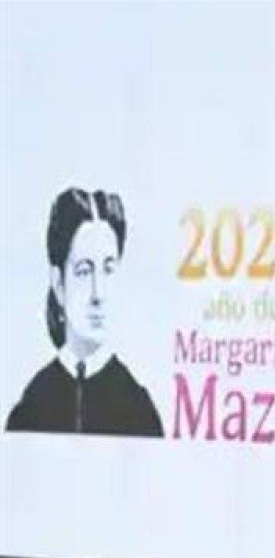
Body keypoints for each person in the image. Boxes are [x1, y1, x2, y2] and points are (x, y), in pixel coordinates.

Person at [5, 187, 163, 437]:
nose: (98, 294)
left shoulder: (139, 410)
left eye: (108, 270)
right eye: (84, 271)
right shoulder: (31, 407)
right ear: (58, 283)